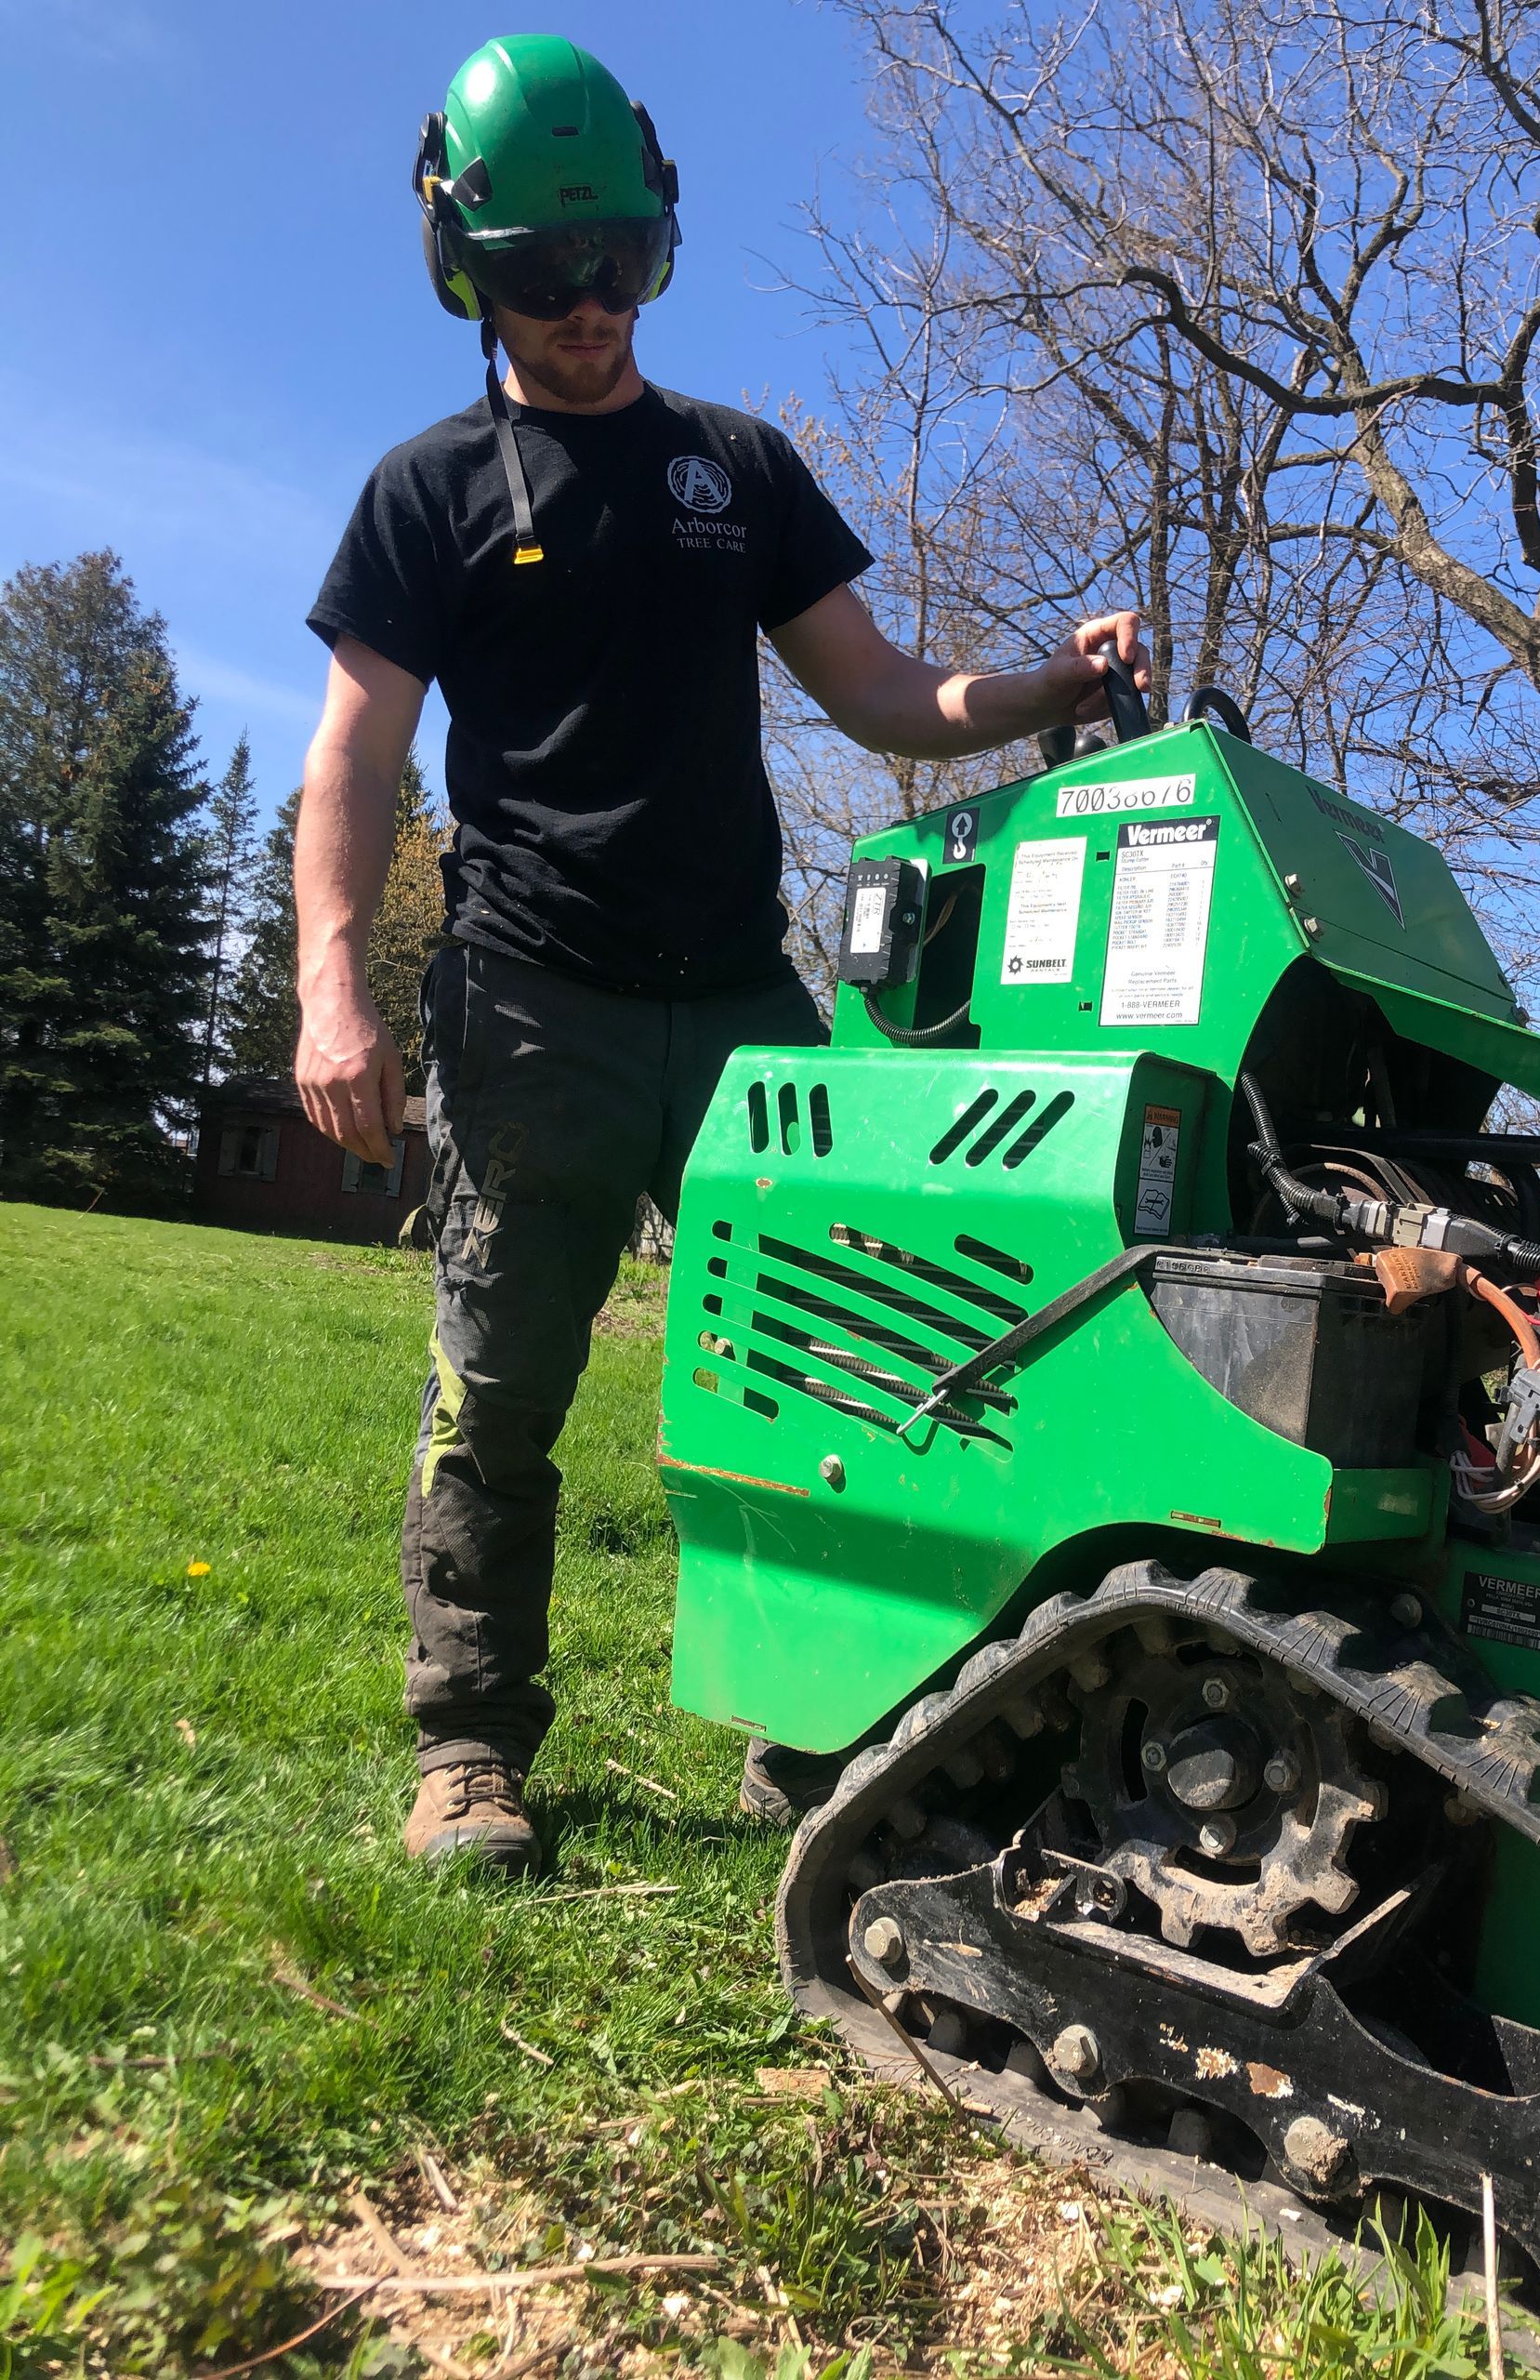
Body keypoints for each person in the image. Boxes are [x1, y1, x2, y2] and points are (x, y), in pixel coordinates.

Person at [295, 33, 1151, 1875]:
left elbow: (888, 694)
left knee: (850, 1358)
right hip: (531, 998)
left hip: (749, 1004)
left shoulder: (734, 468)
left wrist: (1056, 682)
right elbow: (351, 756)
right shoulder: (429, 488)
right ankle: (469, 1747)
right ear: (467, 265)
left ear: (656, 249)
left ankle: (825, 1721)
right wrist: (331, 981)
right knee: (503, 1378)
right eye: (540, 273)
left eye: (612, 264)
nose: (584, 308)